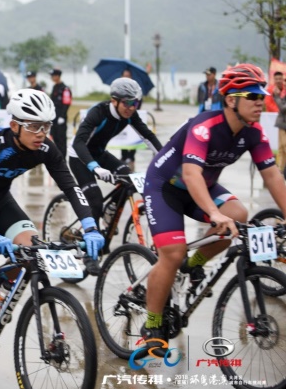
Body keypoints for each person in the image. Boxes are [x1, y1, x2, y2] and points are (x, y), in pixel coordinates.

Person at [0, 88, 104, 379]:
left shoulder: (46, 148)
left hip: (2, 202)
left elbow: (70, 187)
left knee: (35, 251)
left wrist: (90, 226)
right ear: (14, 125)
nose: (41, 133)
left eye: (45, 126)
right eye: (33, 126)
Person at [140, 63, 286, 357]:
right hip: (164, 187)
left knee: (239, 215)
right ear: (232, 100)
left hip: (201, 188)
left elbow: (272, 176)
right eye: (253, 96)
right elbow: (192, 175)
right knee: (172, 253)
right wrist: (215, 214)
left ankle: (193, 264)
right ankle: (151, 327)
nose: (261, 102)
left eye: (262, 95)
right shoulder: (204, 127)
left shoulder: (253, 132)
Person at [69, 77, 162, 275]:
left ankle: (110, 212)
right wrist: (95, 168)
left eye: (135, 102)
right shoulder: (98, 112)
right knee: (94, 202)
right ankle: (90, 255)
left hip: (100, 153)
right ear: (114, 100)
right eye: (127, 102)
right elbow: (78, 143)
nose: (131, 107)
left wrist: (166, 158)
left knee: (130, 180)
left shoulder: (130, 115)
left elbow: (148, 136)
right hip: (80, 157)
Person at [49, 68, 72, 156]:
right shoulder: (54, 87)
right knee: (54, 137)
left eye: (53, 76)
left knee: (61, 139)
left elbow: (66, 103)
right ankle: (58, 156)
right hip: (54, 117)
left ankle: (63, 157)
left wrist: (62, 116)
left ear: (57, 76)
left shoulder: (65, 88)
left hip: (61, 118)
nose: (52, 78)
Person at [266, 72, 286, 172]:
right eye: (276, 79)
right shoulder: (271, 90)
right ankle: (279, 171)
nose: (279, 81)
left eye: (280, 79)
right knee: (281, 149)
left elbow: (282, 108)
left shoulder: (280, 92)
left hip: (282, 122)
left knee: (284, 148)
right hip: (281, 123)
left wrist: (277, 97)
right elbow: (268, 103)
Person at [119, 69, 137, 170]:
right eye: (124, 76)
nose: (126, 78)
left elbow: (139, 101)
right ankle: (124, 157)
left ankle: (131, 157)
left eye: (128, 76)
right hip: (122, 118)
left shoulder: (135, 89)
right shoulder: (118, 90)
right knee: (123, 137)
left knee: (134, 138)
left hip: (132, 116)